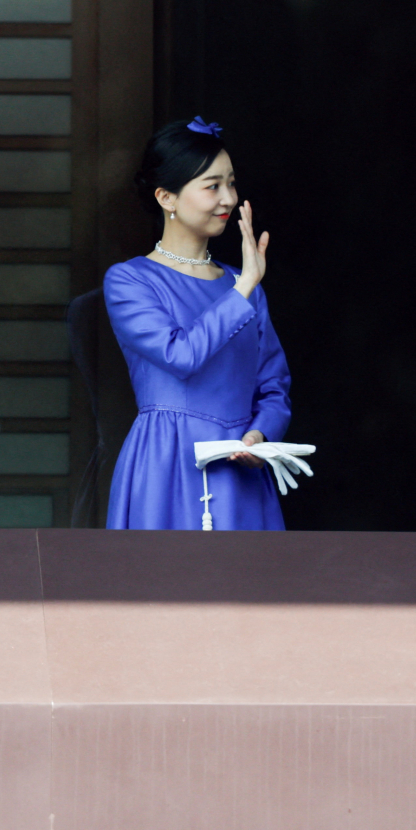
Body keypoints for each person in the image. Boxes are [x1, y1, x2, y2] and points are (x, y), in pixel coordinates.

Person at [103, 118, 291, 530]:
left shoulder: (242, 284)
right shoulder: (130, 280)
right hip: (167, 462)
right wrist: (242, 288)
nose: (228, 198)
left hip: (241, 468)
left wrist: (258, 437)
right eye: (212, 186)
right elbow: (181, 355)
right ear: (166, 197)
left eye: (232, 183)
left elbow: (274, 386)